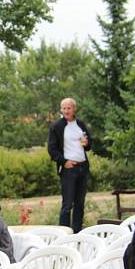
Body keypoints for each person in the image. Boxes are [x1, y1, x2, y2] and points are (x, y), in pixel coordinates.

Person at [47, 97, 91, 233]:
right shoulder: (56, 127)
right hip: (69, 169)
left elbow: (89, 144)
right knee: (67, 204)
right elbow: (52, 149)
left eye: (69, 108)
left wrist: (87, 143)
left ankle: (77, 232)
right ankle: (64, 234)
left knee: (80, 204)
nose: (66, 110)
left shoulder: (80, 124)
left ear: (74, 109)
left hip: (82, 167)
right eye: (64, 108)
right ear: (61, 110)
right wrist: (64, 162)